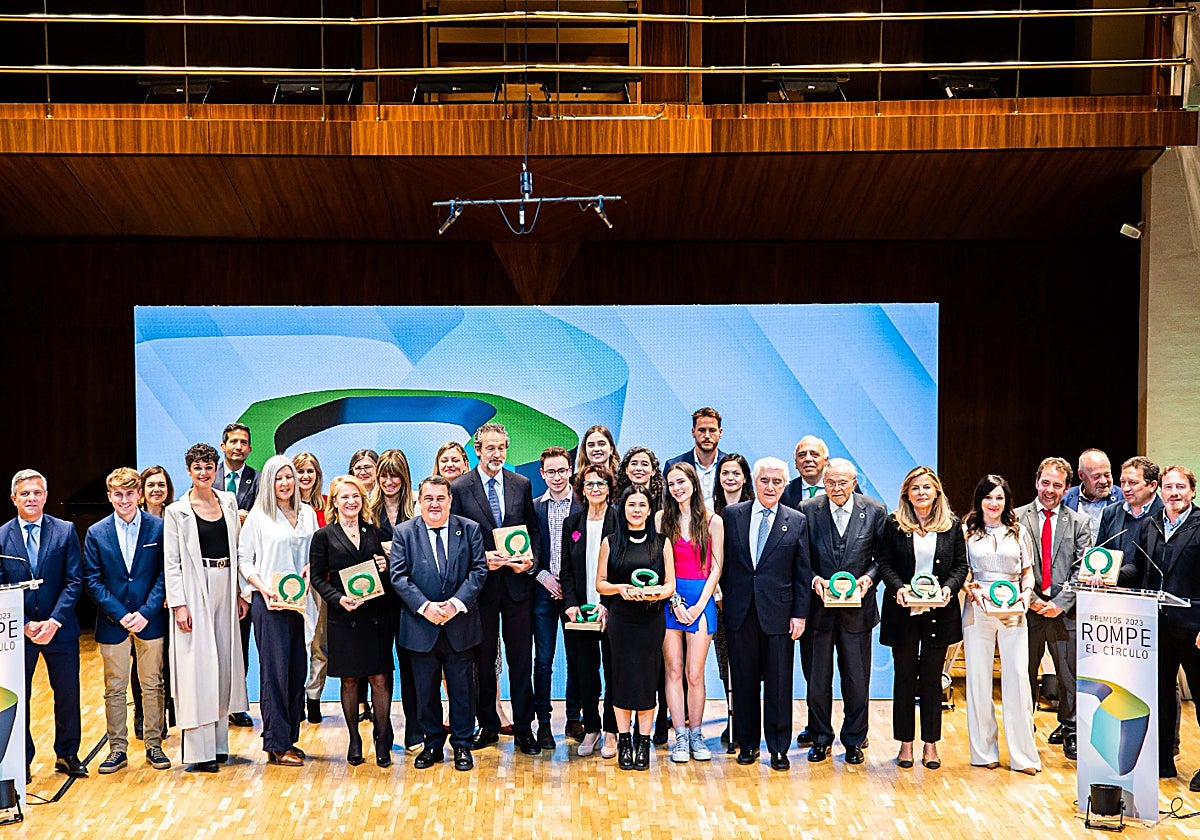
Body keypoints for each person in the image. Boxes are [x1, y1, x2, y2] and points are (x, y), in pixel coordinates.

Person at [449, 422, 543, 756]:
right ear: (477, 450)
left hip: (517, 588)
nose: (497, 454)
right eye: (490, 448)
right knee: (483, 660)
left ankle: (523, 729)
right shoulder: (459, 488)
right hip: (481, 589)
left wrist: (529, 561)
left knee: (520, 660)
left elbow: (533, 531)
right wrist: (480, 558)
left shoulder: (521, 484)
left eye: (502, 447)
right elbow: (454, 540)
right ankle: (487, 724)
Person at [389, 476, 488, 772]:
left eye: (440, 498)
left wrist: (455, 605)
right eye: (428, 498)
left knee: (462, 690)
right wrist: (425, 607)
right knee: (425, 691)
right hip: (421, 627)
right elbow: (399, 576)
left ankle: (462, 745)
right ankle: (432, 744)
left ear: (450, 500)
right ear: (420, 501)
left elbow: (478, 570)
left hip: (460, 626)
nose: (434, 504)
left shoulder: (469, 529)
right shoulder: (404, 533)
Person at [163, 443, 250, 773]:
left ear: (217, 469)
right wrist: (179, 604)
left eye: (208, 466)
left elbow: (239, 549)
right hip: (195, 590)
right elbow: (171, 563)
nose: (203, 472)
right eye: (197, 467)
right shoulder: (176, 511)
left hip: (226, 584)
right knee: (197, 670)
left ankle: (218, 744)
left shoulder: (228, 501)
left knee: (223, 665)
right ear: (188, 471)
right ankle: (198, 752)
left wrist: (242, 593)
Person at [721, 457, 810, 771]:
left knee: (778, 684)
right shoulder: (732, 515)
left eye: (777, 482)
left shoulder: (797, 520)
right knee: (744, 683)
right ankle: (747, 745)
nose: (770, 486)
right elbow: (724, 564)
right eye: (765, 480)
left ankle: (778, 748)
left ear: (784, 485)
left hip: (779, 615)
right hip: (739, 612)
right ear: (753, 482)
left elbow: (802, 573)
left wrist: (800, 615)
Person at [876, 466, 967, 770]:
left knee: (931, 680)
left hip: (938, 614)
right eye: (915, 488)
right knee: (903, 679)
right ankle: (905, 744)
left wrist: (948, 589)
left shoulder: (951, 525)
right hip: (903, 613)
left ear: (936, 492)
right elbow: (884, 563)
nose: (921, 493)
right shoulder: (894, 524)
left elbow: (959, 567)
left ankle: (930, 745)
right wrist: (898, 588)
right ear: (907, 494)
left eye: (927, 488)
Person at [84, 468, 171, 774]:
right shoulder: (96, 533)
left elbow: (164, 574)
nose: (124, 499)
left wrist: (145, 612)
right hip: (113, 623)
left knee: (152, 684)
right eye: (117, 494)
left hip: (150, 619)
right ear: (110, 497)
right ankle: (117, 749)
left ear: (139, 495)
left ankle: (154, 744)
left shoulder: (158, 528)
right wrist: (121, 615)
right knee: (114, 688)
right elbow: (92, 581)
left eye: (129, 493)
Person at [801, 458, 888, 765]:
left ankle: (854, 739)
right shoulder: (807, 509)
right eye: (830, 483)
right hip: (817, 612)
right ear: (823, 483)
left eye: (842, 482)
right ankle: (821, 737)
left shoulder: (875, 510)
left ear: (854, 482)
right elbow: (800, 558)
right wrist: (814, 580)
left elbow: (883, 558)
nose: (836, 488)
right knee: (817, 679)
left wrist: (868, 579)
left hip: (858, 611)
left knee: (856, 678)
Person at [1, 469, 86, 782]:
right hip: (18, 634)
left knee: (67, 694)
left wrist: (54, 621)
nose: (31, 498)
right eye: (25, 494)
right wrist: (23, 624)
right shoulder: (1, 535)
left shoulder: (64, 531)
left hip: (59, 629)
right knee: (19, 697)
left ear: (46, 497)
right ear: (14, 499)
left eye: (37, 493)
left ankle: (67, 754)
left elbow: (74, 580)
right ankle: (21, 760)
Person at [237, 455, 318, 767]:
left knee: (297, 670)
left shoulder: (308, 513)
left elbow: (314, 552)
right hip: (269, 603)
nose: (285, 483)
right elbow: (245, 560)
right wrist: (261, 587)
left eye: (289, 477)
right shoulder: (258, 518)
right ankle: (275, 742)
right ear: (268, 482)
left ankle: (289, 738)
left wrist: (312, 566)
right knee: (275, 673)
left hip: (300, 603)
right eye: (278, 478)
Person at [308, 475, 395, 767]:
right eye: (344, 497)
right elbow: (318, 577)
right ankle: (355, 738)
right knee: (349, 680)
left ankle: (382, 739)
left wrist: (385, 565)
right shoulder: (323, 536)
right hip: (344, 617)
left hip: (375, 616)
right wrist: (337, 599)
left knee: (380, 678)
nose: (351, 502)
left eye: (356, 496)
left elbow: (385, 572)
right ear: (334, 501)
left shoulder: (374, 531)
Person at [961, 474, 1040, 774]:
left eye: (999, 497)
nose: (994, 503)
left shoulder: (1018, 532)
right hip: (978, 610)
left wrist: (1026, 595)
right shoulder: (967, 532)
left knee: (1019, 679)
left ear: (1007, 501)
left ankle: (1024, 757)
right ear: (979, 500)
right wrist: (972, 589)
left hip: (1013, 611)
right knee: (979, 680)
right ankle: (984, 752)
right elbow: (963, 572)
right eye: (988, 497)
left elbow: (1028, 572)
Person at [1016, 456, 1091, 761]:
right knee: (1025, 673)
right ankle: (1023, 731)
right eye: (1045, 483)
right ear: (1036, 482)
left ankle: (1071, 730)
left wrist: (1060, 604)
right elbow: (1012, 565)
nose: (1050, 490)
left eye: (1057, 485)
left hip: (1064, 612)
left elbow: (1082, 569)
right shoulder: (1017, 518)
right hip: (1027, 609)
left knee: (1068, 675)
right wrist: (1031, 599)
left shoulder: (1079, 522)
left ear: (1067, 487)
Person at [596, 486, 674, 771]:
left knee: (646, 680)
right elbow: (600, 583)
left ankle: (643, 740)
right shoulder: (611, 541)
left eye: (642, 505)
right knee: (621, 679)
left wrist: (654, 593)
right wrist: (620, 589)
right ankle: (624, 739)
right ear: (623, 509)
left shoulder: (661, 543)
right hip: (621, 620)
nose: (637, 510)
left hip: (650, 621)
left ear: (649, 509)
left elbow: (670, 585)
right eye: (631, 505)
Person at [1136, 465, 1200, 786]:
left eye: (1181, 487)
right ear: (1160, 489)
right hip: (1157, 625)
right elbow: (1139, 569)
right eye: (1169, 486)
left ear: (1192, 491)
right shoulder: (1150, 525)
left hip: (1193, 628)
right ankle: (1162, 761)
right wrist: (1108, 575)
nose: (1174, 493)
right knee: (1160, 695)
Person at [658, 462, 724, 763]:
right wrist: (675, 601)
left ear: (694, 483)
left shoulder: (713, 521)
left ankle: (696, 733)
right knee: (673, 670)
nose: (677, 488)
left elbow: (716, 567)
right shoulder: (662, 519)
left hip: (702, 599)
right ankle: (680, 736)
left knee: (694, 674)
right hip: (671, 599)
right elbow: (659, 566)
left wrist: (698, 605)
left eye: (681, 482)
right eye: (671, 484)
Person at [560, 464, 619, 758]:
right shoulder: (572, 523)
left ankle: (612, 730)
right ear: (581, 490)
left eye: (600, 483)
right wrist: (570, 604)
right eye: (589, 484)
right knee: (585, 672)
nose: (595, 489)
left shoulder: (620, 519)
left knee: (613, 671)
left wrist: (608, 605)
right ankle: (592, 728)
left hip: (612, 610)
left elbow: (625, 566)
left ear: (609, 487)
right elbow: (566, 571)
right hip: (579, 613)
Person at [369, 448, 422, 752]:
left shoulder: (415, 511)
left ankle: (414, 730)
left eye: (395, 475)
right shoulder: (368, 511)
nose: (389, 481)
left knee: (411, 667)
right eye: (384, 475)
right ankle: (382, 733)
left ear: (404, 477)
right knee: (380, 669)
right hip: (376, 601)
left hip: (407, 600)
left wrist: (398, 556)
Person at [532, 446, 581, 749]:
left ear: (571, 470)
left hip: (575, 595)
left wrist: (570, 585)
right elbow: (527, 549)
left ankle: (574, 718)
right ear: (542, 474)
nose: (557, 476)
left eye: (562, 470)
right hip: (542, 594)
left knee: (578, 658)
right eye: (551, 472)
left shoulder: (583, 505)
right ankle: (545, 723)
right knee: (544, 660)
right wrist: (544, 577)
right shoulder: (534, 507)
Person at [215, 422, 258, 728]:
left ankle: (235, 705)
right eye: (233, 442)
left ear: (250, 449)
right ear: (223, 446)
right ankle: (213, 703)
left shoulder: (257, 480)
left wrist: (248, 517)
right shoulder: (207, 478)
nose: (238, 447)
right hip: (213, 569)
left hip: (247, 571)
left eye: (244, 442)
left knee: (241, 643)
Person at [711, 452, 752, 751]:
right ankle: (731, 718)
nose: (730, 478)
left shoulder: (757, 510)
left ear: (745, 477)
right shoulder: (710, 514)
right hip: (719, 601)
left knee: (747, 665)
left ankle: (747, 721)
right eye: (725, 473)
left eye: (736, 473)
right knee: (725, 663)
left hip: (750, 603)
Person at [134, 464, 176, 739]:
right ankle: (142, 715)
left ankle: (162, 716)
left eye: (161, 484)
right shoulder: (133, 521)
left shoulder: (176, 517)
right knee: (141, 663)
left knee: (167, 662)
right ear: (142, 491)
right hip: (142, 605)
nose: (156, 490)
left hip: (168, 603)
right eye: (151, 485)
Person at [292, 451, 328, 725]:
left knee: (319, 645)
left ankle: (313, 697)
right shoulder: (280, 507)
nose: (305, 477)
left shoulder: (328, 506)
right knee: (293, 645)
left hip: (319, 585)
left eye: (310, 471)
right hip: (287, 586)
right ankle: (293, 699)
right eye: (300, 471)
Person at [1097, 456, 1162, 586]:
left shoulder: (1164, 515)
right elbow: (1100, 552)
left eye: (1132, 483)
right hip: (1113, 591)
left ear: (1152, 485)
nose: (1125, 488)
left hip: (1149, 594)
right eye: (1122, 482)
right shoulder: (1110, 512)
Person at [664, 407, 727, 505]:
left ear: (720, 432)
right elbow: (667, 502)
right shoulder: (674, 465)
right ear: (693, 432)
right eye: (702, 430)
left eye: (712, 430)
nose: (707, 436)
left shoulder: (729, 464)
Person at [1063, 448, 1121, 540]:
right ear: (1081, 475)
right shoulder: (1065, 500)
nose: (1103, 481)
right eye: (1096, 477)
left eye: (1107, 475)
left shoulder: (1124, 500)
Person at [781, 435, 829, 510]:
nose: (808, 459)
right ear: (796, 463)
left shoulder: (842, 489)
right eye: (802, 455)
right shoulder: (784, 492)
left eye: (814, 455)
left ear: (826, 461)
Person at [613, 446, 665, 511]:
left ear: (653, 471)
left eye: (644, 464)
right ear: (626, 470)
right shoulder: (617, 500)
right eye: (634, 464)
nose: (638, 468)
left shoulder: (664, 498)